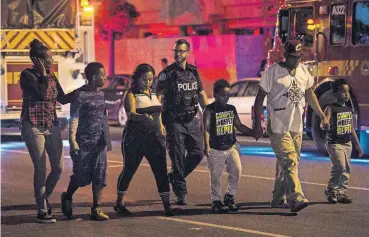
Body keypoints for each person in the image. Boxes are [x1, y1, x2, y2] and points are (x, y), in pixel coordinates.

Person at [253, 39, 330, 213]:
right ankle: (296, 197)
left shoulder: (303, 71)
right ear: (285, 55)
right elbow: (259, 99)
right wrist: (258, 124)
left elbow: (310, 94)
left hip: (296, 127)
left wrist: (322, 115)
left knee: (288, 163)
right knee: (290, 160)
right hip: (278, 126)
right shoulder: (272, 72)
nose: (297, 60)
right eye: (294, 57)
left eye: (299, 57)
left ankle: (277, 197)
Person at [115, 64, 178, 216]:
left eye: (150, 79)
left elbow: (158, 114)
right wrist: (142, 117)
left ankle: (166, 206)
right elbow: (131, 113)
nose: (148, 82)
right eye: (145, 79)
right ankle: (119, 202)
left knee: (161, 171)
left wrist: (161, 126)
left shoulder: (153, 93)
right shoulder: (131, 94)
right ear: (137, 79)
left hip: (155, 138)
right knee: (129, 170)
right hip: (135, 138)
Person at [20, 39, 70, 223]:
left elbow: (63, 98)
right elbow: (40, 94)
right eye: (48, 58)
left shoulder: (51, 75)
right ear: (37, 60)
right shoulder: (27, 75)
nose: (51, 60)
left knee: (58, 168)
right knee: (40, 168)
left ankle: (43, 198)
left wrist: (85, 90)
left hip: (51, 124)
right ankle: (42, 210)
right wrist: (41, 74)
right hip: (33, 124)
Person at [156, 39, 209, 205]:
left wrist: (209, 113)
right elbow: (158, 97)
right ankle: (180, 192)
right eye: (175, 51)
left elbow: (201, 94)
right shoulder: (167, 74)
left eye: (181, 51)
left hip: (192, 119)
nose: (177, 54)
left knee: (198, 153)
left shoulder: (193, 71)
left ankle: (175, 178)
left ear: (188, 52)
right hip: (173, 120)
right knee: (177, 157)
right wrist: (159, 122)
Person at [61, 62, 111, 221]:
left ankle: (96, 208)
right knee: (81, 177)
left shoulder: (101, 94)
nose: (105, 78)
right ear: (94, 77)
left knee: (99, 175)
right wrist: (73, 142)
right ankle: (67, 196)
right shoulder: (79, 95)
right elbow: (73, 119)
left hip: (99, 142)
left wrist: (107, 140)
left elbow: (103, 117)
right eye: (103, 75)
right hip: (83, 142)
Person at [203, 79, 255, 213]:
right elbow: (206, 128)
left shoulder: (231, 109)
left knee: (236, 170)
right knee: (215, 176)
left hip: (231, 146)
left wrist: (253, 132)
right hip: (215, 148)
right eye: (222, 95)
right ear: (215, 94)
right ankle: (216, 201)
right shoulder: (209, 109)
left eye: (227, 95)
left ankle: (230, 196)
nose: (225, 98)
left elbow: (239, 126)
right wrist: (206, 145)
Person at [322, 79, 363, 204]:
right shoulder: (330, 108)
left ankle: (341, 193)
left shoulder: (348, 109)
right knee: (339, 166)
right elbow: (323, 122)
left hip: (347, 143)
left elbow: (351, 129)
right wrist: (325, 124)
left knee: (346, 169)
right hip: (334, 143)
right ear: (335, 94)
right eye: (343, 92)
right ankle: (331, 190)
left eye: (347, 92)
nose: (346, 94)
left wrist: (358, 145)